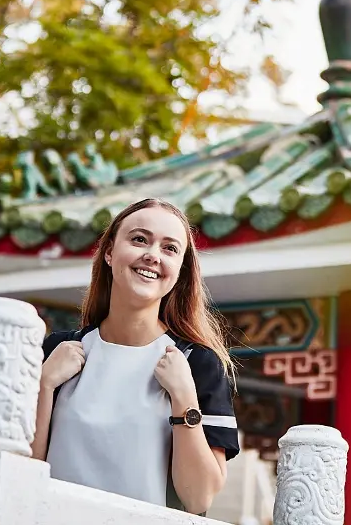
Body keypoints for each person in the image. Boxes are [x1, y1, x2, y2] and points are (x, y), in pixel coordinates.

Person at [30, 198, 239, 516]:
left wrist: (184, 397)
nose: (153, 256)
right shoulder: (56, 352)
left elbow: (199, 499)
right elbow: (22, 473)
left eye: (170, 248)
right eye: (140, 239)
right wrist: (44, 386)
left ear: (180, 271)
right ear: (110, 253)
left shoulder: (197, 363)